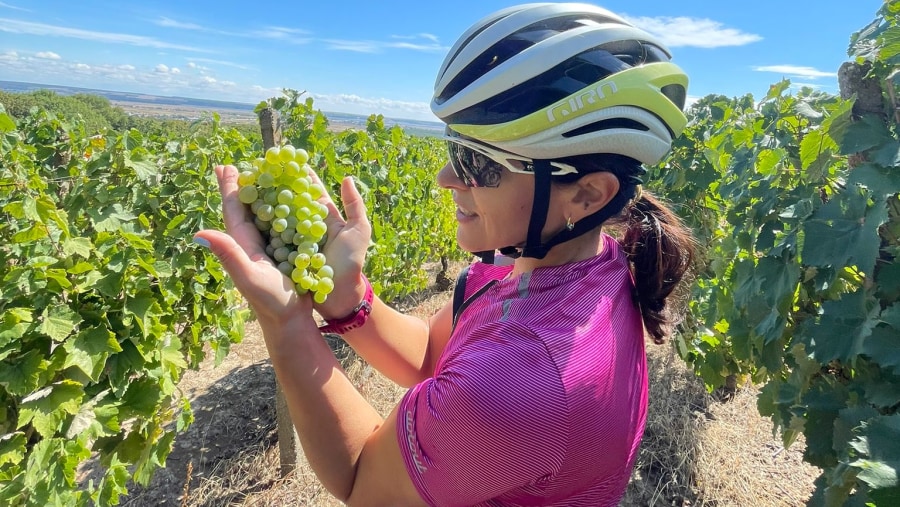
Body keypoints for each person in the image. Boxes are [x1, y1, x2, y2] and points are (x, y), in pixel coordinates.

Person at [194, 3, 697, 506]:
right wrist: (347, 299)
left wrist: (286, 325)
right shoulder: (583, 269)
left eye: (479, 161)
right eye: (456, 146)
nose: (446, 178)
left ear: (587, 194)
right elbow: (436, 360)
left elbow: (366, 486)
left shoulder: (521, 380)